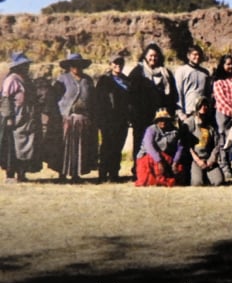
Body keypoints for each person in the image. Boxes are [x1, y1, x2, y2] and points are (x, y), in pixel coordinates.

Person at [128, 43, 177, 176]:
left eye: (155, 56)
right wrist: (133, 115)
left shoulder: (166, 73)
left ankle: (160, 171)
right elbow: (131, 96)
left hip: (162, 117)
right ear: (145, 56)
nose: (153, 58)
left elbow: (172, 95)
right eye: (150, 56)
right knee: (141, 144)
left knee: (161, 143)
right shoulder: (137, 72)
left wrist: (170, 113)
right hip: (142, 117)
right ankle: (139, 171)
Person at [52, 52, 97, 182]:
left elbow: (93, 99)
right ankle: (62, 174)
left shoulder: (87, 80)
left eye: (78, 65)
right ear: (69, 66)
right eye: (73, 65)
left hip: (83, 119)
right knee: (64, 146)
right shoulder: (62, 79)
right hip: (67, 118)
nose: (76, 67)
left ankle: (76, 174)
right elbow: (55, 98)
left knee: (80, 147)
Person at [0, 52, 41, 183]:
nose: (26, 68)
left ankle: (22, 173)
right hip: (14, 118)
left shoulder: (27, 80)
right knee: (11, 147)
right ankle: (10, 175)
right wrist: (9, 117)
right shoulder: (11, 79)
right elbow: (6, 99)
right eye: (24, 65)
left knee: (27, 145)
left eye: (27, 65)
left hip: (27, 118)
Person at [95, 54, 132, 183]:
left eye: (120, 63)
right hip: (108, 119)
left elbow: (131, 101)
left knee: (118, 147)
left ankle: (114, 174)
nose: (118, 65)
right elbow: (98, 101)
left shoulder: (127, 81)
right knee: (106, 146)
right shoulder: (104, 80)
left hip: (122, 119)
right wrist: (100, 119)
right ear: (110, 64)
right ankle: (102, 174)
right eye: (115, 63)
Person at [180, 96, 224, 186]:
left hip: (209, 158)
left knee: (219, 181)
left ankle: (208, 176)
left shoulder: (211, 123)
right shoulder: (190, 122)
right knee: (197, 183)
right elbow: (186, 145)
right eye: (201, 105)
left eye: (205, 105)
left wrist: (211, 160)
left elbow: (217, 144)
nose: (203, 107)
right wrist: (197, 160)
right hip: (195, 160)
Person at [134, 108, 185, 187]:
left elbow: (180, 147)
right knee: (145, 180)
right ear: (156, 121)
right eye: (160, 120)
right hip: (148, 157)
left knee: (179, 170)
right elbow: (149, 146)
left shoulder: (175, 131)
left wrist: (175, 162)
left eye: (165, 120)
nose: (163, 122)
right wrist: (159, 161)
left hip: (166, 157)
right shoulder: (151, 130)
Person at [174, 45, 212, 122]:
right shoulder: (181, 71)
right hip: (187, 113)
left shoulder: (205, 73)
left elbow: (208, 93)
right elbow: (178, 92)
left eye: (199, 55)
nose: (197, 57)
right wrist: (180, 113)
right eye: (194, 54)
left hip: (202, 113)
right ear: (188, 56)